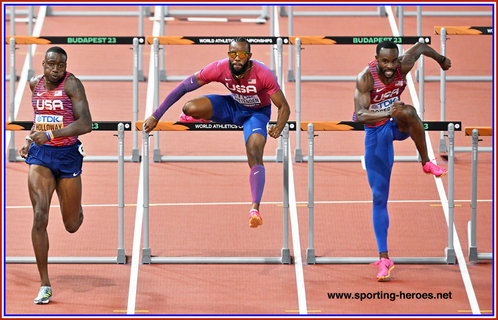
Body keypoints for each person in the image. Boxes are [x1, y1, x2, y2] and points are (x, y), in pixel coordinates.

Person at [143, 37, 291, 228]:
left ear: (249, 56)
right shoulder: (219, 68)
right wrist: (156, 115)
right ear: (228, 54)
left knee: (254, 153)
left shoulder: (263, 74)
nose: (237, 58)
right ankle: (204, 116)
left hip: (256, 115)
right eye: (233, 54)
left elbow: (284, 107)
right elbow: (184, 86)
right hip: (232, 107)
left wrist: (278, 127)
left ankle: (255, 208)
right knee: (189, 108)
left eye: (242, 54)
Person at [354, 40, 451, 281]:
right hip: (377, 131)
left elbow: (419, 47)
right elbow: (361, 115)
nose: (389, 66)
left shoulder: (402, 66)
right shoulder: (366, 78)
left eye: (393, 61)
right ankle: (384, 258)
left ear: (398, 60)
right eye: (384, 61)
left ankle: (426, 161)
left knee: (409, 112)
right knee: (379, 197)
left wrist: (440, 59)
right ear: (376, 59)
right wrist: (388, 112)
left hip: (397, 124)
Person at [19, 46, 92, 304]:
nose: (55, 70)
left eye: (60, 66)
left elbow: (86, 123)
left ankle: (76, 207)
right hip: (41, 156)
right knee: (40, 215)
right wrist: (30, 139)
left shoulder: (72, 85)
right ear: (43, 63)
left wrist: (50, 134)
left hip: (67, 154)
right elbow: (40, 118)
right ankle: (45, 284)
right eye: (51, 65)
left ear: (65, 66)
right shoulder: (34, 84)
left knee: (72, 225)